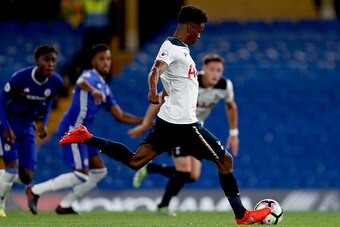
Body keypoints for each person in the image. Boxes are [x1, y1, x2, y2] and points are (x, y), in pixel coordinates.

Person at [57, 6, 270, 224]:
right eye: (199, 29)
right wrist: (152, 90)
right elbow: (155, 70)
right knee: (225, 160)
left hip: (168, 122)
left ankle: (86, 137)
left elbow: (167, 78)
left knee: (135, 161)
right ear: (190, 27)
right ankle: (242, 215)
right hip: (184, 124)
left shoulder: (181, 49)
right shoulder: (172, 48)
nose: (200, 34)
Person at [25, 43, 144, 215]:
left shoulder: (105, 87)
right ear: (93, 61)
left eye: (108, 59)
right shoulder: (90, 75)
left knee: (99, 171)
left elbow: (119, 115)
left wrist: (144, 121)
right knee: (81, 174)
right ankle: (35, 190)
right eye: (102, 59)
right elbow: (80, 82)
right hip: (72, 130)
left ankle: (65, 205)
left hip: (83, 133)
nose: (106, 62)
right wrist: (93, 90)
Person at [128, 53, 239, 216]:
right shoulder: (191, 80)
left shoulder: (224, 86)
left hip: (196, 129)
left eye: (219, 70)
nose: (216, 73)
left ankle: (151, 167)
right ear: (204, 70)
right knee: (184, 170)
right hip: (178, 125)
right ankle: (163, 206)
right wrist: (146, 122)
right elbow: (162, 96)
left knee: (193, 176)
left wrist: (234, 133)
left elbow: (231, 106)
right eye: (212, 69)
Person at [0, 44, 63, 217]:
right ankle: (0, 206)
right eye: (46, 60)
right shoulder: (20, 78)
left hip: (28, 127)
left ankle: (3, 178)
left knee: (27, 176)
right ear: (37, 61)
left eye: (53, 61)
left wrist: (44, 122)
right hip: (10, 124)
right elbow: (1, 101)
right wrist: (5, 128)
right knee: (11, 168)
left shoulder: (56, 82)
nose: (50, 64)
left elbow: (48, 101)